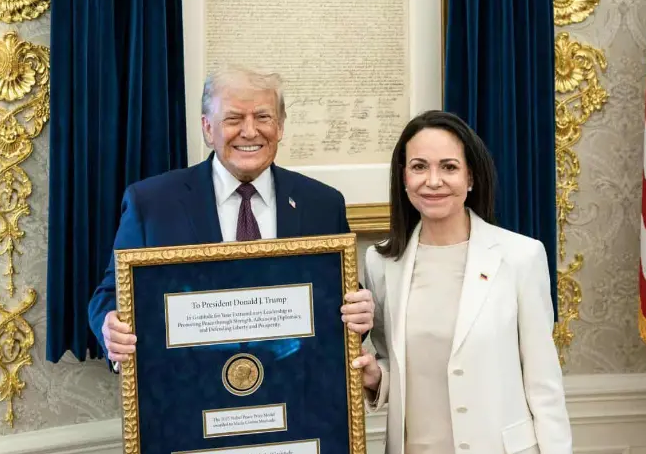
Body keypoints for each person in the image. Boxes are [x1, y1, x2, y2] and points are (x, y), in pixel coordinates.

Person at [88, 66, 374, 365]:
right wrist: (110, 326)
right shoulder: (151, 203)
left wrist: (360, 312)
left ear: (280, 126)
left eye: (263, 117)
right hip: (187, 392)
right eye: (234, 119)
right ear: (208, 128)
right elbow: (111, 293)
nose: (250, 131)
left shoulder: (323, 204)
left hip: (296, 390)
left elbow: (340, 299)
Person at [352, 110, 572, 454]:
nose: (433, 181)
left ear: (470, 178)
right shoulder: (381, 263)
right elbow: (393, 361)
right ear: (404, 177)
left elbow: (544, 385)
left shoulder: (520, 257)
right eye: (419, 167)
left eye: (449, 167)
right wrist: (376, 378)